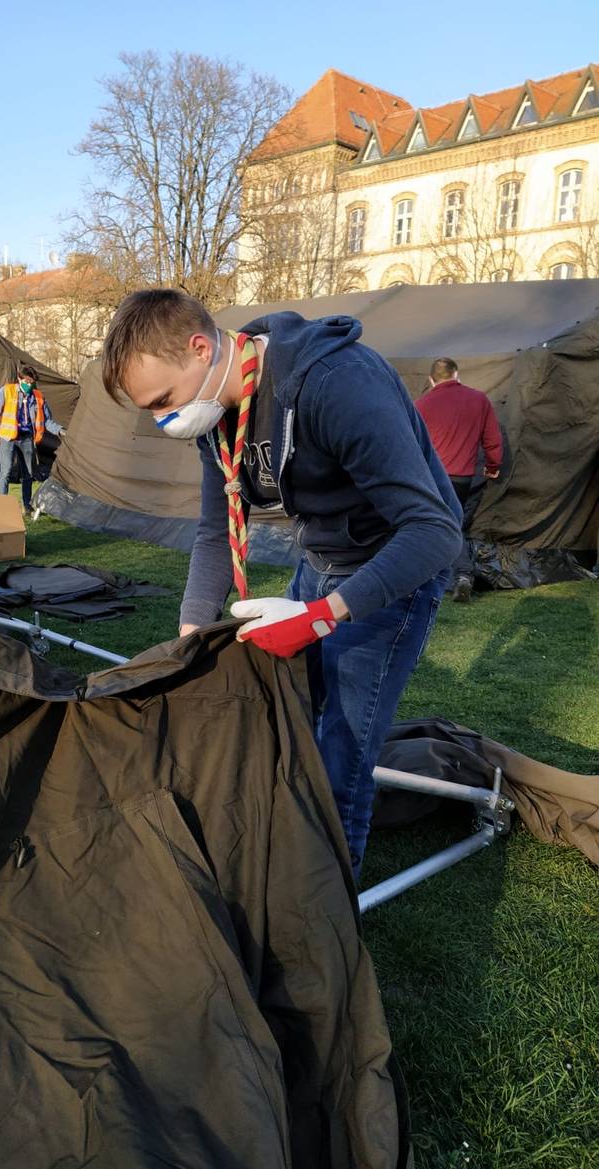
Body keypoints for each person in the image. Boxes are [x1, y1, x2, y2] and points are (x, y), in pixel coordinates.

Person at [101, 289, 462, 879]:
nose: (165, 419)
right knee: (293, 716)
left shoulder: (334, 381)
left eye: (164, 401)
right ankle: (287, 861)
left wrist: (323, 614)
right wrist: (192, 632)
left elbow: (435, 533)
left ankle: (325, 919)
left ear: (200, 348)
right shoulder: (215, 411)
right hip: (321, 558)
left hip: (390, 572)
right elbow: (217, 530)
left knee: (341, 754)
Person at [416, 357, 503, 602]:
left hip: (431, 477)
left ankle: (442, 576)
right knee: (454, 524)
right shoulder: (479, 400)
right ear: (457, 375)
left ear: (431, 380)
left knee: (432, 525)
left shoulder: (421, 405)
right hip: (463, 479)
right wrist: (493, 465)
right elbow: (493, 439)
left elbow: (412, 444)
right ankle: (462, 576)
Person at [0, 364, 62, 514]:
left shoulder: (38, 397)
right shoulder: (6, 391)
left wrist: (60, 430)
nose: (29, 385)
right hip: (8, 437)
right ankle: (1, 506)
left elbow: (47, 420)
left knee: (28, 473)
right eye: (26, 382)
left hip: (27, 438)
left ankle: (26, 505)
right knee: (6, 471)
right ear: (19, 379)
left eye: (31, 382)